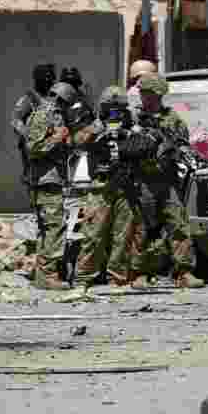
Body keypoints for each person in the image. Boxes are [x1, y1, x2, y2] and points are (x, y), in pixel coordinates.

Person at [129, 74, 205, 289]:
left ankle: (184, 271)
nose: (146, 98)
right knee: (143, 228)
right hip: (143, 180)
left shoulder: (172, 119)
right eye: (143, 93)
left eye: (150, 94)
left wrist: (180, 152)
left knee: (178, 224)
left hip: (167, 180)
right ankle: (140, 273)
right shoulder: (133, 118)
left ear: (159, 95)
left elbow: (183, 146)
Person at [72, 86, 141, 289]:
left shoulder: (132, 121)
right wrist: (98, 129)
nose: (114, 112)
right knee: (93, 234)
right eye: (110, 108)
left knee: (123, 235)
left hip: (125, 184)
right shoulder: (93, 122)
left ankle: (116, 278)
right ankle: (84, 277)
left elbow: (145, 143)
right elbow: (77, 142)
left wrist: (128, 133)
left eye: (118, 108)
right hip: (100, 185)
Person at [26, 81, 93, 289]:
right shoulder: (44, 114)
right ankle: (48, 276)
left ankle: (43, 274)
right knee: (54, 228)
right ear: (62, 99)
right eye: (67, 104)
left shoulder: (55, 115)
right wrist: (57, 138)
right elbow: (32, 148)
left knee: (49, 229)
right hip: (46, 181)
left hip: (53, 179)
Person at [12, 63, 57, 192]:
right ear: (38, 79)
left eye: (50, 79)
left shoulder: (55, 98)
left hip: (53, 147)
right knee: (35, 183)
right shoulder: (29, 99)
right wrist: (28, 134)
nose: (49, 82)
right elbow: (16, 120)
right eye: (45, 79)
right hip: (35, 149)